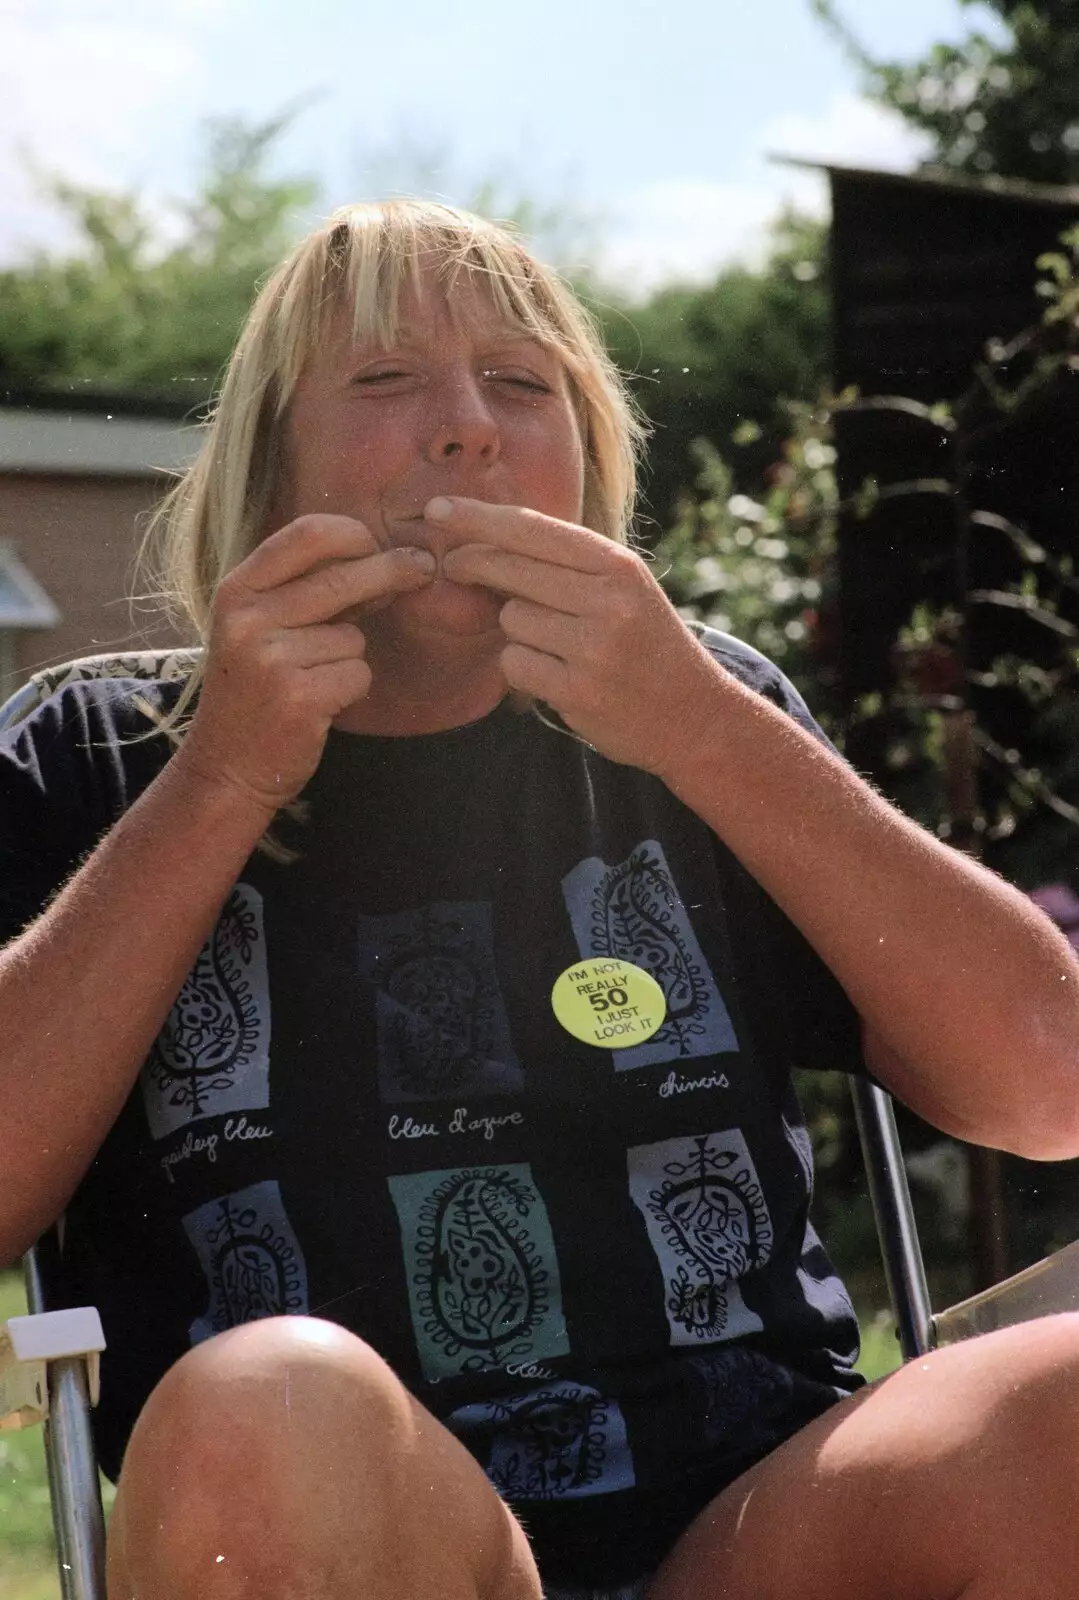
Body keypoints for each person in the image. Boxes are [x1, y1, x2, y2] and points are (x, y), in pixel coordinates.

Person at [2, 200, 1079, 1600]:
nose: (467, 428)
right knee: (269, 1395)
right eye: (385, 382)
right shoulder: (98, 754)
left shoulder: (705, 712)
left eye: (523, 385)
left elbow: (1045, 1090)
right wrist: (220, 783)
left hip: (756, 1536)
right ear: (269, 469)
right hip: (361, 1535)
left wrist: (696, 724)